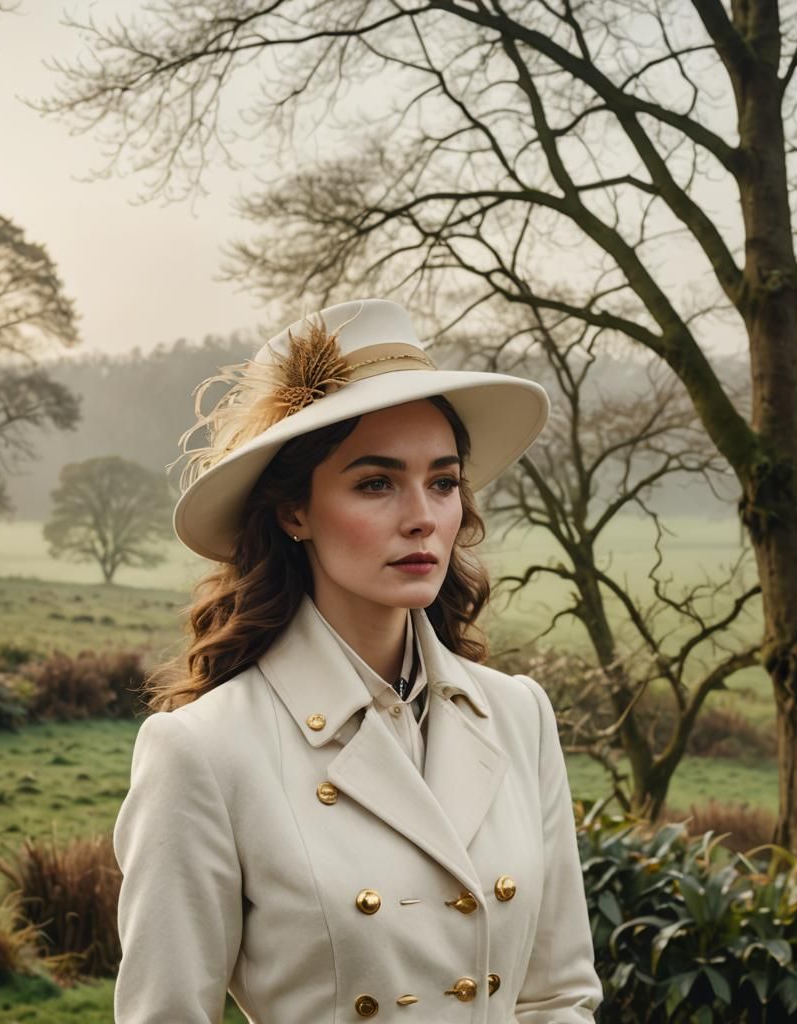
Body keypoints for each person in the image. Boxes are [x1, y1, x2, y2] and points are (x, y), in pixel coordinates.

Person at [112, 298, 602, 1023]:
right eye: (376, 483)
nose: (423, 517)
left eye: (442, 481)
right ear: (294, 512)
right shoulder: (205, 752)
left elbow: (558, 995)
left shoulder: (517, 715)